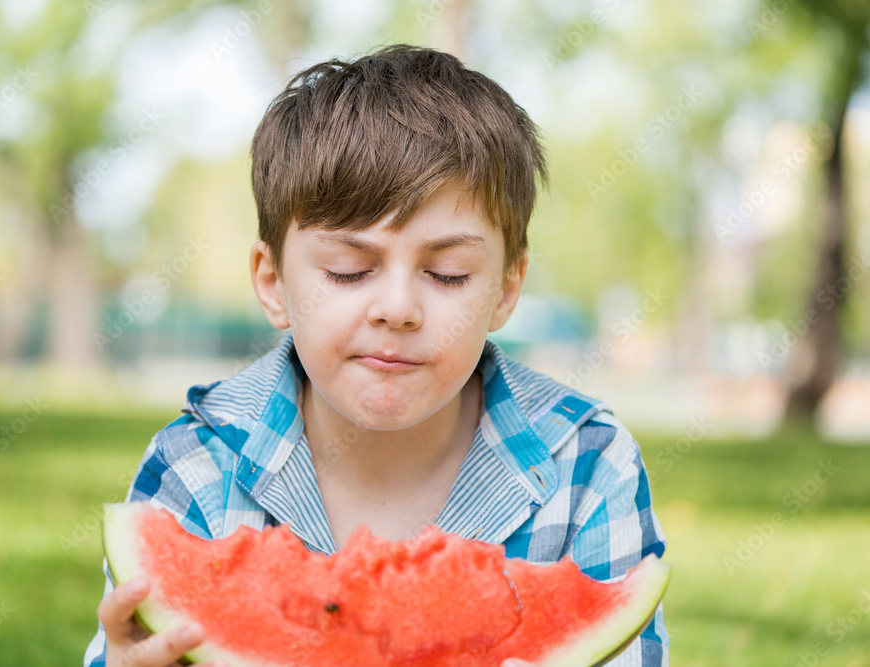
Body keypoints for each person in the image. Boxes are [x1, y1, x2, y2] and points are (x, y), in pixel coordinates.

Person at [84, 43, 668, 667]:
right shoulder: (194, 466)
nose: (398, 307)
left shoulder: (589, 464)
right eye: (347, 270)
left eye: (446, 274)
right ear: (272, 281)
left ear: (506, 289)